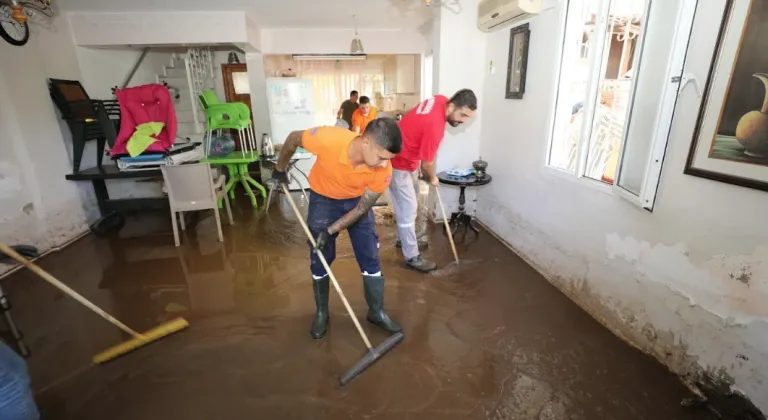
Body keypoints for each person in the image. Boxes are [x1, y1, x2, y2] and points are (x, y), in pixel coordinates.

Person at [271, 119, 403, 339]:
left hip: (356, 203)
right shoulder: (328, 139)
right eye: (381, 157)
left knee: (370, 254)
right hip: (323, 199)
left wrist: (330, 230)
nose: (383, 164)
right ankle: (322, 312)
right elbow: (294, 137)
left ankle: (376, 312)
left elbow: (362, 209)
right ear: (366, 142)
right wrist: (280, 168)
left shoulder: (384, 169)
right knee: (320, 255)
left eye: (387, 160)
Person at [388, 89, 478, 273]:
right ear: (452, 106)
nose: (463, 121)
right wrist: (432, 178)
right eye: (462, 115)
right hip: (399, 163)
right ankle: (411, 257)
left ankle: (404, 240)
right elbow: (426, 166)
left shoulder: (440, 100)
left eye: (468, 117)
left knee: (409, 205)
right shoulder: (434, 127)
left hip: (406, 158)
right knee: (408, 210)